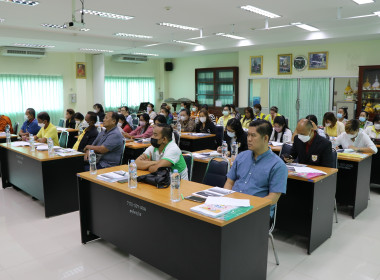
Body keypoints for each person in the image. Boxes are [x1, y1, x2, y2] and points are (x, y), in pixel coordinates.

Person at [224, 119, 288, 217]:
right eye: (248, 134)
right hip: (231, 206)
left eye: (253, 135)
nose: (248, 139)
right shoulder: (241, 156)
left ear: (265, 138)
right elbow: (229, 182)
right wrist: (227, 199)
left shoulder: (278, 166)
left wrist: (248, 208)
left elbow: (273, 198)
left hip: (256, 212)